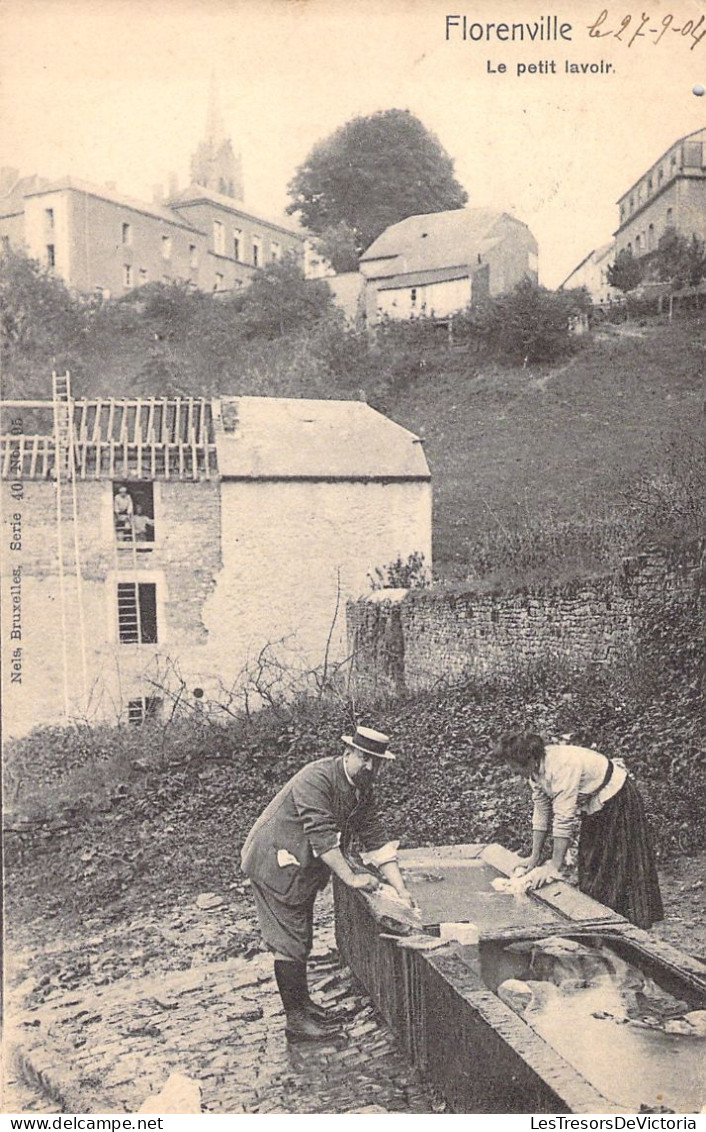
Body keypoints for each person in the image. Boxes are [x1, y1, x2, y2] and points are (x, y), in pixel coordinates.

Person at [241, 726, 415, 1042]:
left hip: (301, 867)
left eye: (377, 762)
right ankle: (296, 1021)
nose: (370, 768)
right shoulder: (316, 778)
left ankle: (304, 1005)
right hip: (275, 861)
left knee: (300, 936)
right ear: (348, 753)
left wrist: (401, 889)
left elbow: (375, 837)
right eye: (365, 759)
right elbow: (321, 837)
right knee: (290, 942)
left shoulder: (362, 789)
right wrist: (350, 877)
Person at [495, 732, 663, 929]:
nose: (513, 771)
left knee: (617, 861)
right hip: (596, 802)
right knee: (591, 861)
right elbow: (541, 812)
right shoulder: (535, 773)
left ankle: (628, 924)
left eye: (515, 766)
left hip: (617, 796)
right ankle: (599, 921)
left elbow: (564, 818)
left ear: (530, 759)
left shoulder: (562, 766)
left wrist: (554, 865)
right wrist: (534, 857)